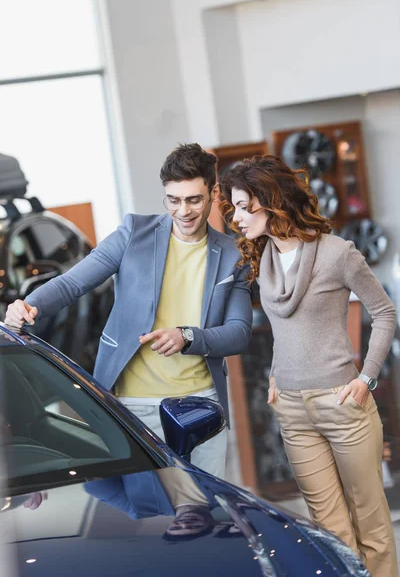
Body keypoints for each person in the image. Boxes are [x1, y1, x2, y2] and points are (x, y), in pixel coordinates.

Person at [4, 143, 252, 479]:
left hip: (201, 403)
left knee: (204, 510)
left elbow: (238, 332)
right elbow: (72, 283)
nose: (183, 211)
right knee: (147, 512)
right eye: (174, 200)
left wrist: (187, 337)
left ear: (213, 192)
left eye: (194, 199)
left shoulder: (232, 254)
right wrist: (30, 304)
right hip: (134, 403)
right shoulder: (134, 234)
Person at [219, 154, 398, 576]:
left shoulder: (338, 254)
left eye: (245, 206)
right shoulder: (262, 259)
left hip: (343, 404)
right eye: (234, 207)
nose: (237, 217)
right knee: (328, 530)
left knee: (369, 522)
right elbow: (287, 330)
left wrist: (366, 378)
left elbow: (385, 314)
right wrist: (276, 375)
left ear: (272, 200)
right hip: (293, 410)